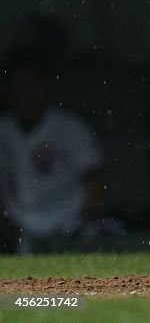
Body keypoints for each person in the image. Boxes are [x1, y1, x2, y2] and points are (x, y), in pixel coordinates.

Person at [0, 49, 104, 253]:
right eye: (17, 84)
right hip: (22, 231)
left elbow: (96, 184)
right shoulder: (3, 129)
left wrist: (83, 226)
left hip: (67, 227)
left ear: (44, 86)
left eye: (30, 83)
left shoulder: (69, 128)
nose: (24, 92)